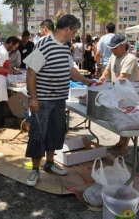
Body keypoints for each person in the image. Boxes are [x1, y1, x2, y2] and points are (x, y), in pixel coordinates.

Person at [23, 14, 95, 187]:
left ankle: (49, 163)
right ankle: (34, 169)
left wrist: (86, 81)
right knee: (38, 134)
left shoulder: (64, 47)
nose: (74, 35)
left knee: (55, 132)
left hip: (59, 99)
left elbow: (71, 69)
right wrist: (33, 98)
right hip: (43, 100)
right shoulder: (44, 45)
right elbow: (31, 72)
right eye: (74, 32)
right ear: (67, 29)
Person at [98, 35, 139, 157]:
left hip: (129, 92)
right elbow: (107, 70)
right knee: (120, 118)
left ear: (122, 46)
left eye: (115, 48)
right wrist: (102, 78)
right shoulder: (113, 56)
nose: (112, 51)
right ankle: (121, 142)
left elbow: (123, 76)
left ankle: (125, 148)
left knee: (127, 119)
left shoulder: (130, 58)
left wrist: (109, 86)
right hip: (118, 91)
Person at [0, 36, 22, 128]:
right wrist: (11, 71)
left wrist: (10, 70)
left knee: (1, 101)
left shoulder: (2, 50)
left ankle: (0, 121)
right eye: (15, 47)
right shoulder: (3, 52)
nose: (15, 49)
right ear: (11, 43)